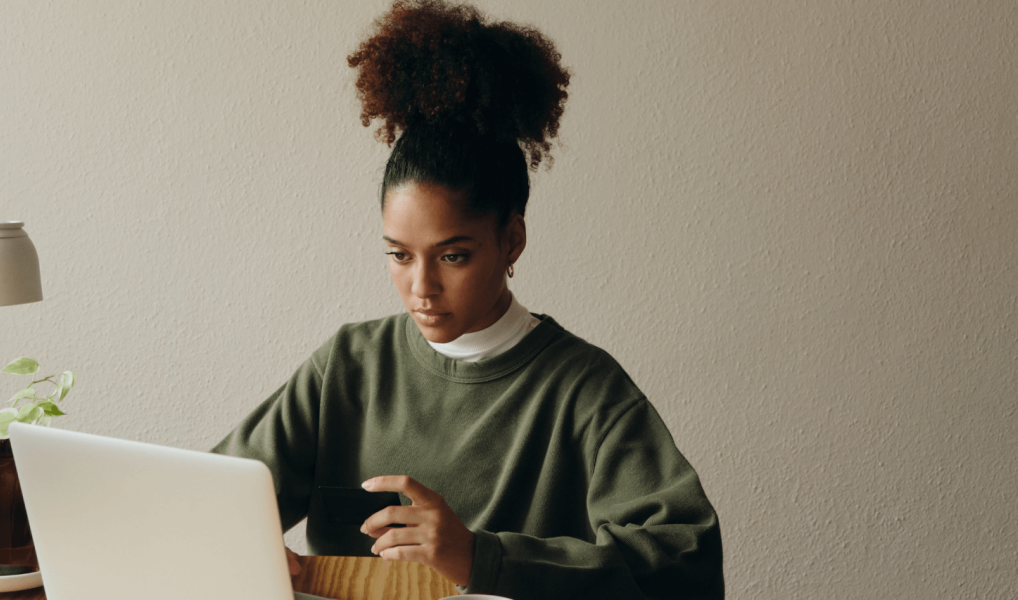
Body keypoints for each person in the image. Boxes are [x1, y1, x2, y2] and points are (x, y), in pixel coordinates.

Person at [213, 1, 724, 598]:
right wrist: (242, 548)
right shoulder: (348, 366)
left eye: (452, 255)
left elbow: (686, 563)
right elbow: (210, 499)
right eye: (399, 255)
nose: (421, 288)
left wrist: (480, 557)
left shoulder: (583, 390)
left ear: (512, 239)